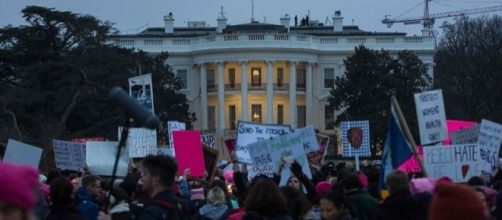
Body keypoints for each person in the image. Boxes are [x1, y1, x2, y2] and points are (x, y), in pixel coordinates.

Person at [136, 154, 188, 220]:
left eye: (145, 174)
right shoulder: (183, 206)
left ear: (155, 180)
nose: (142, 178)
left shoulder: (151, 213)